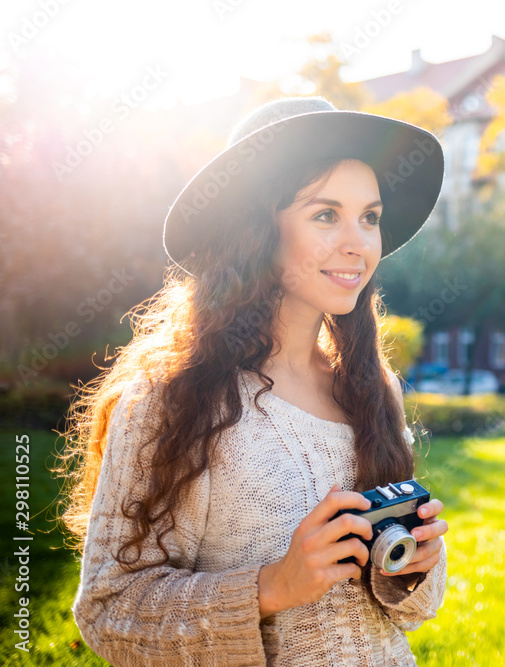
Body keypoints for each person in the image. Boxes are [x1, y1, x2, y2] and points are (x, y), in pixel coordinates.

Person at [60, 97, 449, 666]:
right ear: (257, 232)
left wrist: (416, 566)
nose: (358, 243)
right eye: (325, 214)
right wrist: (273, 587)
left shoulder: (371, 388)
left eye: (370, 216)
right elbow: (110, 610)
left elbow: (409, 608)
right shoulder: (174, 397)